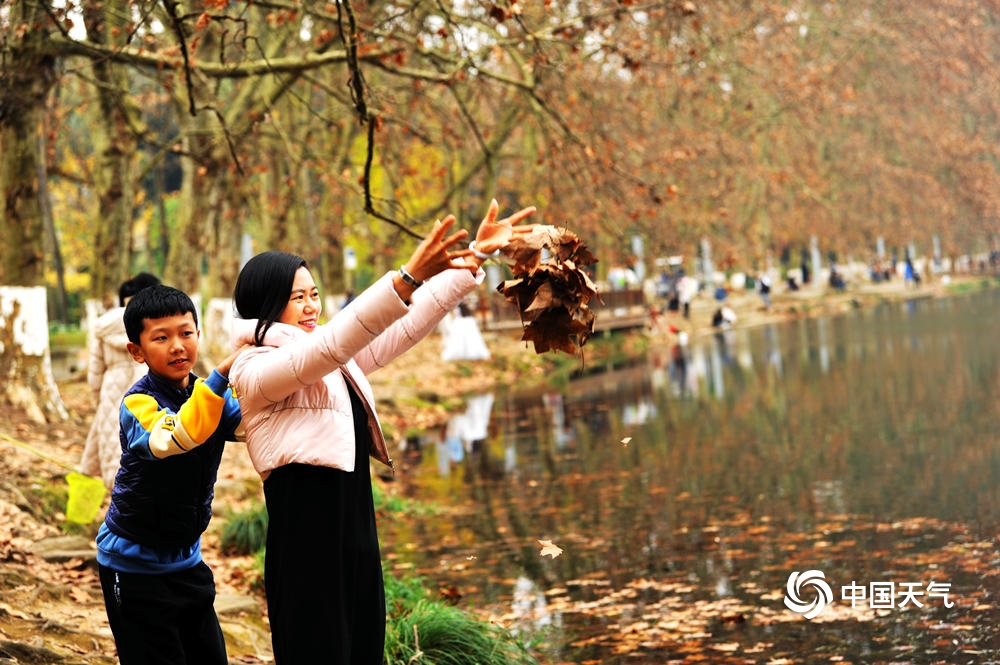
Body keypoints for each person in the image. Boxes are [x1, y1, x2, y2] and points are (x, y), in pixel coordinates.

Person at [228, 199, 536, 665]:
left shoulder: (332, 358)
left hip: (355, 527)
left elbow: (405, 326)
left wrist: (474, 257)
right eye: (298, 298)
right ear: (267, 304)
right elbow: (329, 346)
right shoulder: (254, 369)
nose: (312, 306)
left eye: (314, 293)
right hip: (307, 542)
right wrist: (406, 275)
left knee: (365, 646)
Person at [96, 284, 247, 665]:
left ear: (199, 334)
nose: (178, 346)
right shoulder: (139, 403)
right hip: (132, 568)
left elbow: (251, 427)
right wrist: (219, 378)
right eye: (161, 338)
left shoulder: (208, 394)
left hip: (187, 561)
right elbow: (175, 437)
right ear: (137, 351)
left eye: (186, 333)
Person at [80, 272, 162, 489]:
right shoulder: (154, 320)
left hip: (111, 388)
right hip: (145, 381)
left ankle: (118, 497)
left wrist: (98, 400)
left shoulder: (104, 325)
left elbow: (95, 371)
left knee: (113, 444)